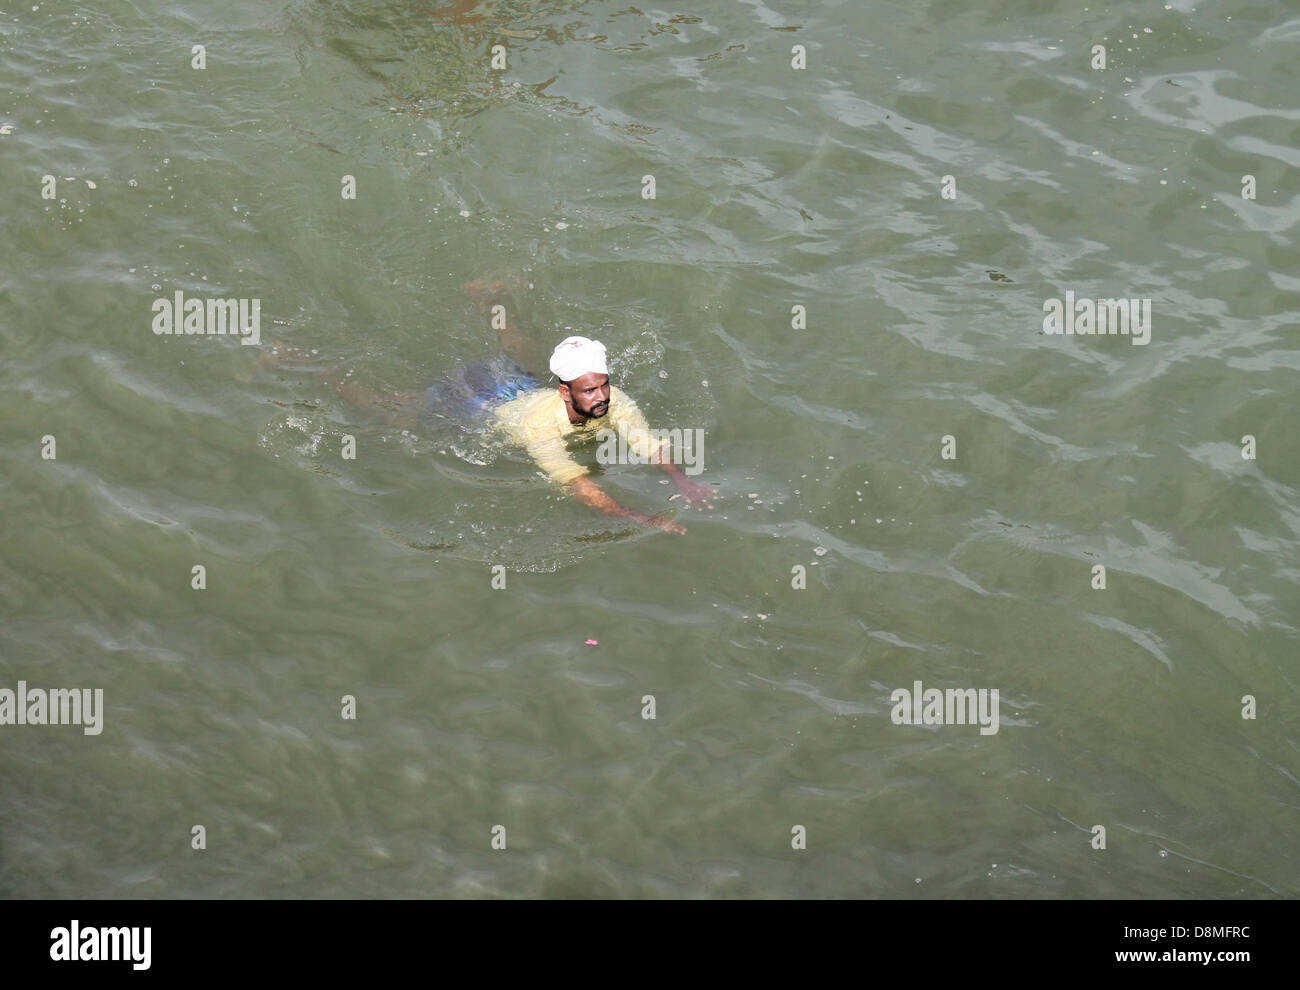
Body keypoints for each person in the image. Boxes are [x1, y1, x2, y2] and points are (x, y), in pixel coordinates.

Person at [249, 279, 718, 534]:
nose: (601, 398)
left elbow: (646, 441)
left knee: (524, 360)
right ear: (566, 392)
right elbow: (578, 485)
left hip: (514, 385)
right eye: (588, 391)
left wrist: (681, 480)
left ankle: (484, 298)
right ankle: (305, 361)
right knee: (389, 409)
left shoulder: (612, 400)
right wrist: (640, 518)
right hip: (473, 398)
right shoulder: (543, 429)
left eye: (603, 386)